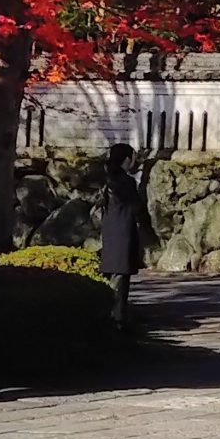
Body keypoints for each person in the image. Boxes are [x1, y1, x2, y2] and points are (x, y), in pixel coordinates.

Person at [99, 141, 149, 332]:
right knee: (121, 278)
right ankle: (118, 320)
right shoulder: (125, 182)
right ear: (127, 159)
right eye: (133, 158)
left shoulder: (107, 179)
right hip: (124, 231)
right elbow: (137, 208)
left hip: (110, 231)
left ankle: (112, 317)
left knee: (111, 275)